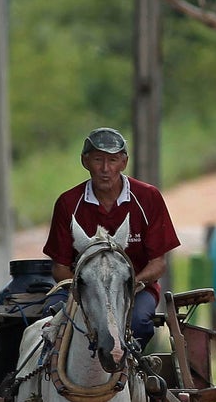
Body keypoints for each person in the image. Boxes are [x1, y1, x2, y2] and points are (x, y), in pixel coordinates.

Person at [43, 127, 180, 350]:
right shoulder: (68, 203)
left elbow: (158, 264)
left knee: (137, 323)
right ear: (85, 161)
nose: (105, 169)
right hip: (83, 289)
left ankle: (131, 372)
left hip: (136, 290)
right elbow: (59, 268)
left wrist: (130, 285)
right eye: (98, 160)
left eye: (113, 160)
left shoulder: (148, 197)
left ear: (124, 162)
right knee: (49, 323)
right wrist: (85, 290)